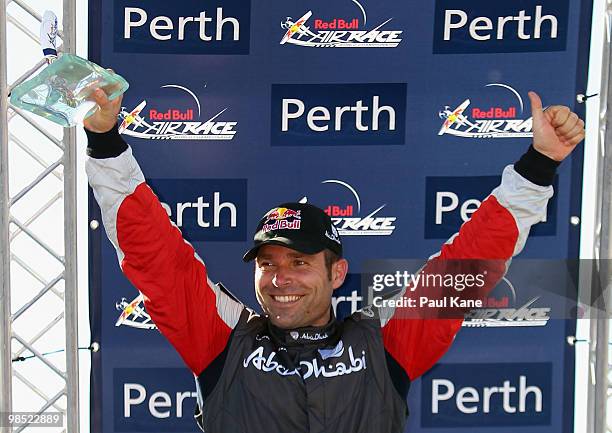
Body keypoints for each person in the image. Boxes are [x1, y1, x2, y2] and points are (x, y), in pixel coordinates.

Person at [84, 86, 584, 433]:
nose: (281, 278)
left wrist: (538, 165)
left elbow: (467, 267)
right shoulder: (225, 338)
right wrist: (105, 142)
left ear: (336, 272)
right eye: (268, 263)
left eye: (300, 263)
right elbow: (157, 257)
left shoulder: (383, 341)